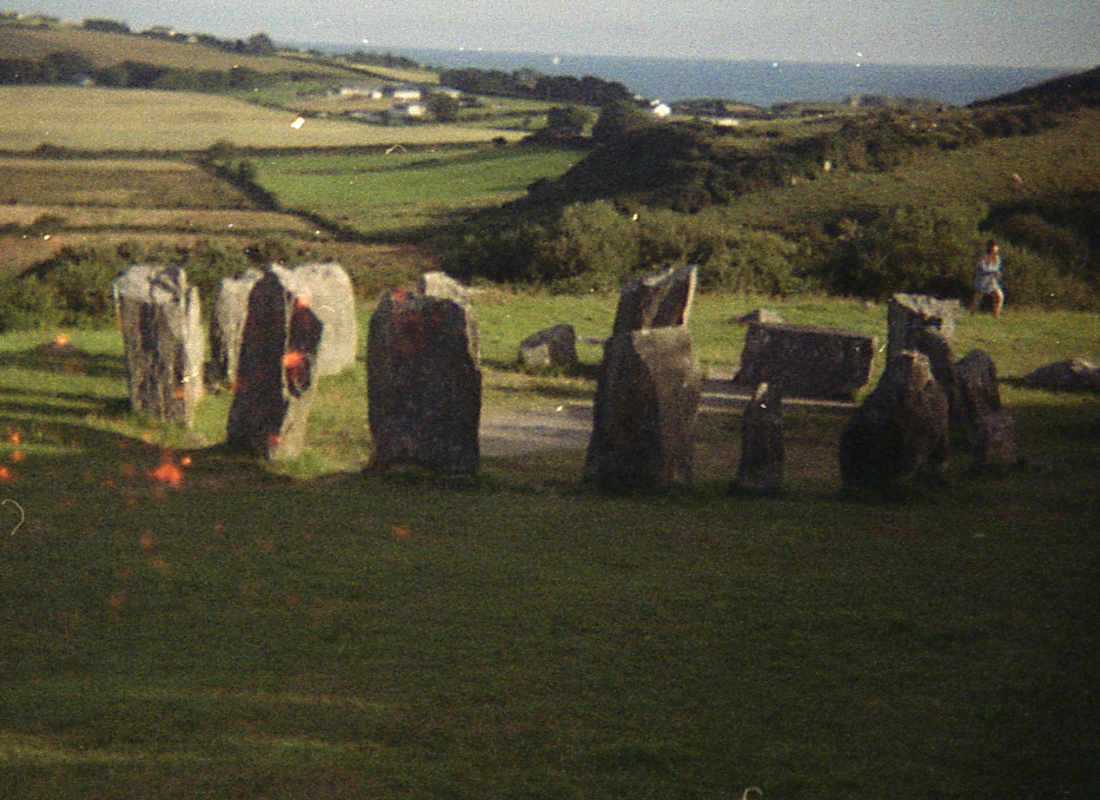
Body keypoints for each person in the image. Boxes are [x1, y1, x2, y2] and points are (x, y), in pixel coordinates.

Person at [970, 239, 1004, 317]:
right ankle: (972, 313)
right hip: (982, 281)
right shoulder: (984, 257)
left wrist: (996, 273)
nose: (995, 249)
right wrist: (993, 271)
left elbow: (997, 267)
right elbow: (983, 268)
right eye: (994, 247)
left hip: (992, 281)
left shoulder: (997, 258)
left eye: (996, 247)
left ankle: (996, 314)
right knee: (977, 300)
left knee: (999, 297)